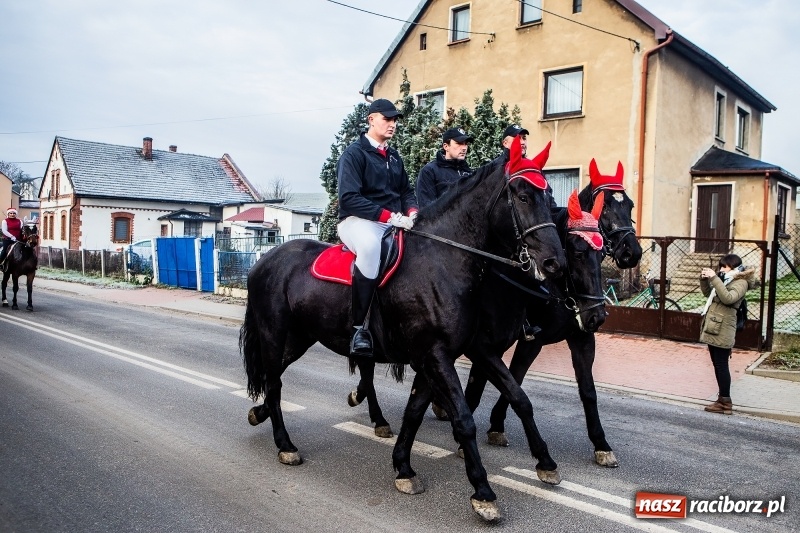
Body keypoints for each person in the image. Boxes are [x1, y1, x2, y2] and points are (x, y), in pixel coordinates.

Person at [337, 98, 419, 357]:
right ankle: (359, 328)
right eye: (387, 119)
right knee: (371, 248)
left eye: (395, 120)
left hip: (393, 222)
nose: (392, 124)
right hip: (358, 222)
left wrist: (413, 212)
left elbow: (406, 191)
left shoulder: (394, 157)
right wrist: (388, 217)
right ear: (371, 119)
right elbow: (349, 198)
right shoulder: (353, 154)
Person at [699, 254, 755, 414]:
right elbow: (707, 294)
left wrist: (715, 278)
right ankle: (722, 400)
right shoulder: (726, 279)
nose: (722, 269)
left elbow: (728, 298)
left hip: (724, 327)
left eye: (725, 266)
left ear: (734, 267)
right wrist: (704, 279)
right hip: (714, 325)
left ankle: (725, 401)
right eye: (720, 266)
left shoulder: (741, 282)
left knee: (722, 366)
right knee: (717, 365)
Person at [416, 127, 474, 208]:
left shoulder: (468, 172)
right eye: (459, 143)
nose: (464, 148)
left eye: (465, 144)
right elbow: (427, 209)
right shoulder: (430, 171)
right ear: (446, 146)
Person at [0, 207, 23, 272]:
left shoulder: (19, 221)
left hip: (18, 240)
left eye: (14, 213)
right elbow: (4, 230)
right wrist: (11, 236)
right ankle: (1, 263)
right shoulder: (5, 221)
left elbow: (22, 230)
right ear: (8, 214)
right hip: (8, 239)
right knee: (4, 250)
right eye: (11, 213)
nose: (12, 214)